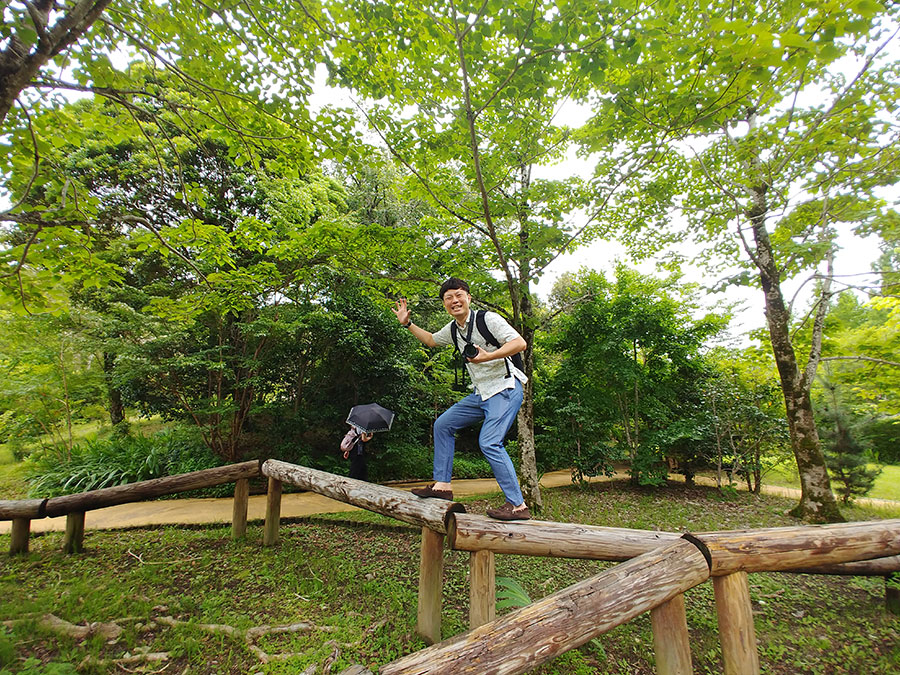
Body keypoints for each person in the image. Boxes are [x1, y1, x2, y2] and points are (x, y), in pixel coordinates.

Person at [392, 277, 531, 520]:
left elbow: (520, 343)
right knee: (443, 424)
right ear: (445, 304)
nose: (454, 300)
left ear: (469, 297)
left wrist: (488, 357)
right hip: (481, 393)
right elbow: (431, 340)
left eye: (458, 295)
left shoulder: (487, 319)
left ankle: (517, 505)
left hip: (505, 388)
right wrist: (408, 324)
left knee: (489, 442)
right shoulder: (454, 329)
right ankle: (442, 487)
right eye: (448, 298)